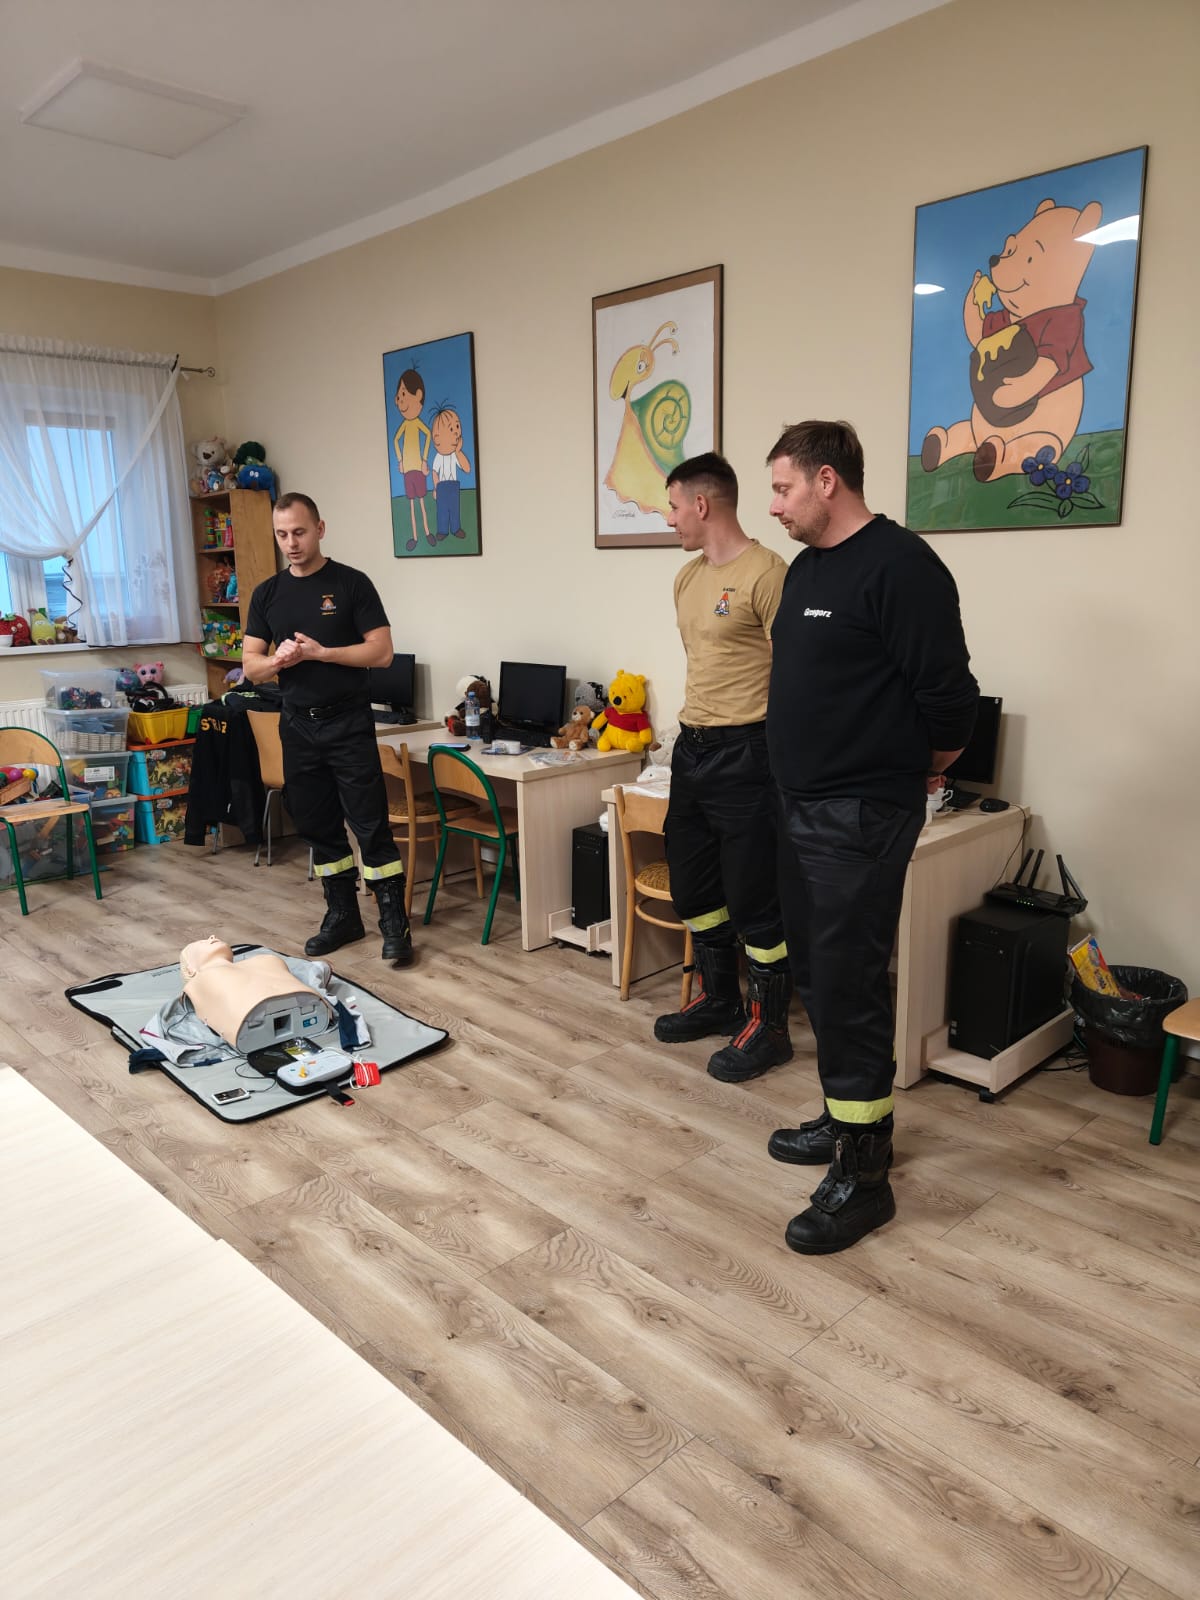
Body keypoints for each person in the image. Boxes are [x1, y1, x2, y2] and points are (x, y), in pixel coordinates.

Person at [764, 420, 978, 1252]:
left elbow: (950, 701)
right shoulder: (807, 569)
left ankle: (865, 1175)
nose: (775, 505)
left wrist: (916, 768)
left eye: (783, 488)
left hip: (859, 812)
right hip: (798, 804)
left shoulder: (901, 566)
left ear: (828, 481)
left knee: (849, 982)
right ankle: (845, 1112)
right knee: (815, 972)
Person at [653, 451, 793, 1082]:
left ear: (702, 505)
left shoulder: (769, 574)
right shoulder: (686, 578)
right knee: (694, 887)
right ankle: (719, 1000)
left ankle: (771, 1029)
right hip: (693, 749)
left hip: (749, 753)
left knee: (753, 897)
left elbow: (792, 676)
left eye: (674, 507)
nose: (670, 519)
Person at [242, 492, 413, 966]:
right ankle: (342, 916)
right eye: (282, 535)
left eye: (299, 532)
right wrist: (277, 661)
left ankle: (393, 922)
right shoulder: (267, 594)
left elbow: (381, 652)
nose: (291, 543)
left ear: (320, 529)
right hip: (298, 726)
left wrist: (323, 654)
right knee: (318, 826)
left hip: (348, 722)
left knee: (370, 825)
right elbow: (251, 666)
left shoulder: (351, 583)